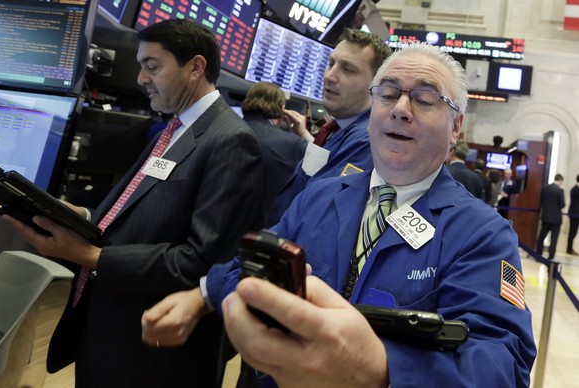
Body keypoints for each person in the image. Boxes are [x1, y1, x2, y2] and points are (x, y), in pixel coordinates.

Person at [141, 42, 536, 387]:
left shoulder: (483, 235)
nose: (400, 109)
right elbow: (255, 264)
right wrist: (202, 295)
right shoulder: (323, 194)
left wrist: (380, 372)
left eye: (425, 99)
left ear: (455, 128)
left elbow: (503, 365)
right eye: (388, 93)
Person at [3, 19, 264, 387]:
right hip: (114, 325)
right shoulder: (173, 128)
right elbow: (143, 209)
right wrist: (88, 217)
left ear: (196, 67)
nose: (141, 78)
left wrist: (93, 257)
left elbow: (203, 261)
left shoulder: (230, 141)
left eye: (152, 65)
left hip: (153, 351)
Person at [268, 28, 392, 225]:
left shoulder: (367, 141)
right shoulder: (336, 130)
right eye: (331, 64)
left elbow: (315, 215)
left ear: (378, 86)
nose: (329, 76)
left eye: (347, 69)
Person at [241, 81, 308, 211]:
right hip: (264, 228)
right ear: (282, 109)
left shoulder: (226, 128)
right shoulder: (293, 144)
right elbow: (325, 165)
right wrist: (303, 133)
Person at [536, 174, 566, 259]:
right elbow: (562, 204)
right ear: (560, 180)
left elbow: (541, 201)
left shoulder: (545, 188)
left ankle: (538, 254)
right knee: (554, 239)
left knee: (541, 236)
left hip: (546, 216)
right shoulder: (560, 191)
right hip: (556, 219)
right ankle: (551, 257)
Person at [568, 174, 579, 255]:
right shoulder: (576, 189)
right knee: (572, 232)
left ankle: (570, 248)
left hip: (575, 213)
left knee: (573, 232)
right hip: (575, 213)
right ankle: (569, 249)